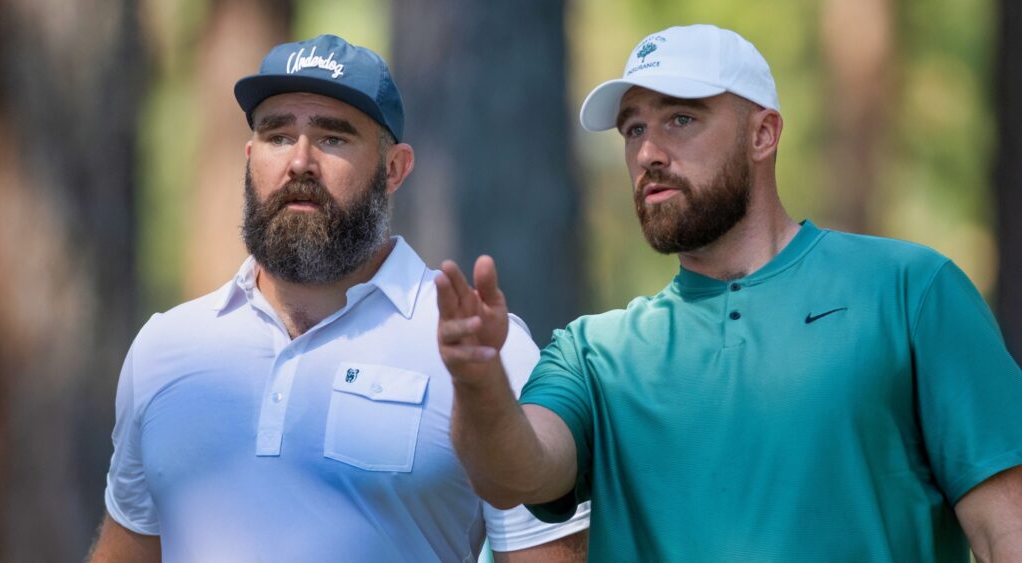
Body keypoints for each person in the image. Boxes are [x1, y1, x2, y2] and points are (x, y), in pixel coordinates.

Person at [437, 24, 1022, 562]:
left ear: (763, 134)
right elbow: (513, 475)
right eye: (634, 128)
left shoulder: (909, 291)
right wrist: (477, 381)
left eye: (680, 120)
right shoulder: (594, 355)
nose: (648, 153)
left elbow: (1006, 529)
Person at [88, 34, 589, 563]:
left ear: (394, 169)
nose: (300, 162)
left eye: (332, 139)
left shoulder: (487, 355)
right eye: (278, 136)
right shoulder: (166, 347)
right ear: (250, 156)